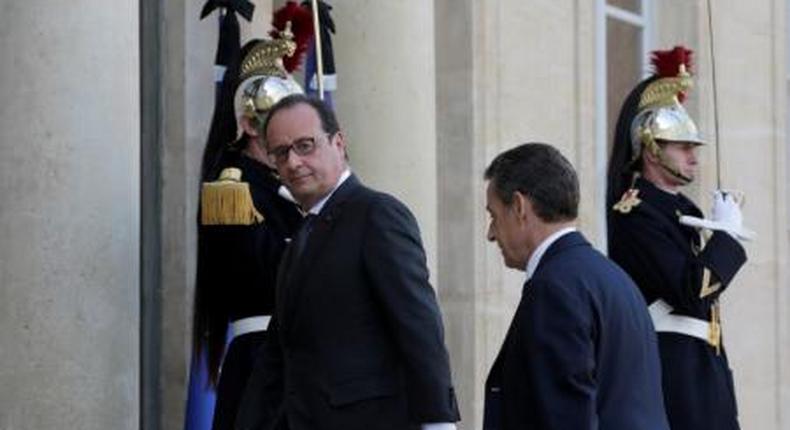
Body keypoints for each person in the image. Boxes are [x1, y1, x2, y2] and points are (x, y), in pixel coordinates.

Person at [238, 94, 460, 430]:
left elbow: (418, 324)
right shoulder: (301, 236)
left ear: (338, 143)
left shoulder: (376, 214)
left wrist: (438, 422)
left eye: (305, 145)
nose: (294, 162)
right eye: (281, 153)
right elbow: (280, 352)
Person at [607, 46, 748, 430]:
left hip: (703, 367)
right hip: (673, 370)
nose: (693, 157)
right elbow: (690, 290)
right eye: (683, 147)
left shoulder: (681, 212)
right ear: (652, 149)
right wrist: (727, 240)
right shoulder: (636, 213)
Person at [482, 143, 669, 430]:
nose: (491, 233)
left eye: (494, 215)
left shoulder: (554, 288)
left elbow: (565, 418)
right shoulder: (614, 278)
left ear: (519, 206)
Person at [191, 36, 304, 430]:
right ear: (251, 124)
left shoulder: (285, 189)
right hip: (261, 358)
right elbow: (268, 273)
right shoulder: (234, 189)